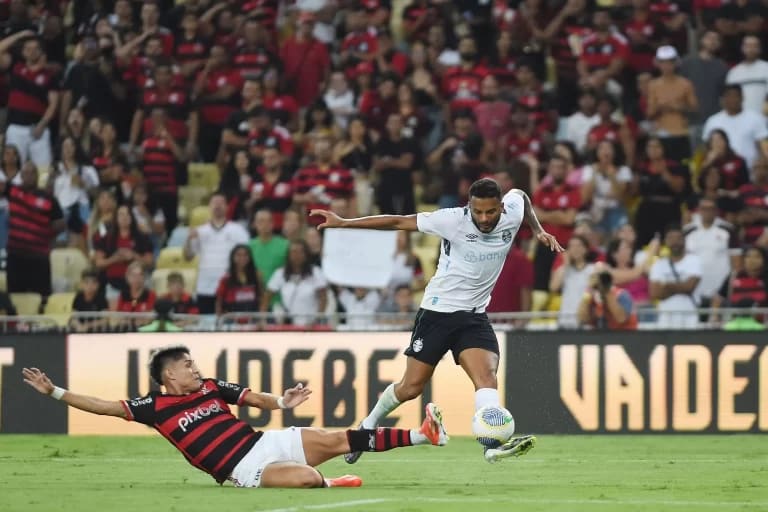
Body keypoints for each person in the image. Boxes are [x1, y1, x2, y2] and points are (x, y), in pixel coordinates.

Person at [310, 178, 562, 462]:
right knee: (410, 387)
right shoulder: (451, 220)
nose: (483, 218)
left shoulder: (513, 212)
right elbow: (397, 221)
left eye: (490, 212)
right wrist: (345, 223)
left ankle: (491, 444)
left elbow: (522, 196)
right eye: (477, 212)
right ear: (469, 206)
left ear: (501, 208)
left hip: (473, 317)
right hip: (437, 313)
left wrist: (537, 229)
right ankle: (367, 426)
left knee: (487, 378)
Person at [21, 345, 447, 488]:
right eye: (186, 364)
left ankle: (425, 434)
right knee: (306, 480)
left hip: (265, 442)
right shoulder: (152, 407)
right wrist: (54, 391)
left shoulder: (210, 386)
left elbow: (253, 399)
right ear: (169, 374)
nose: (194, 367)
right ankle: (329, 481)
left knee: (342, 437)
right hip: (242, 468)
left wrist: (282, 403)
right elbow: (103, 405)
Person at [649, 224, 702, 329]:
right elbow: (654, 293)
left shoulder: (694, 261)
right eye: (671, 238)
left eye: (678, 238)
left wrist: (666, 286)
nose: (675, 242)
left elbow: (689, 287)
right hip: (665, 317)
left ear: (684, 240)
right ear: (665, 241)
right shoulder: (658, 265)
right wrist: (680, 287)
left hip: (689, 316)